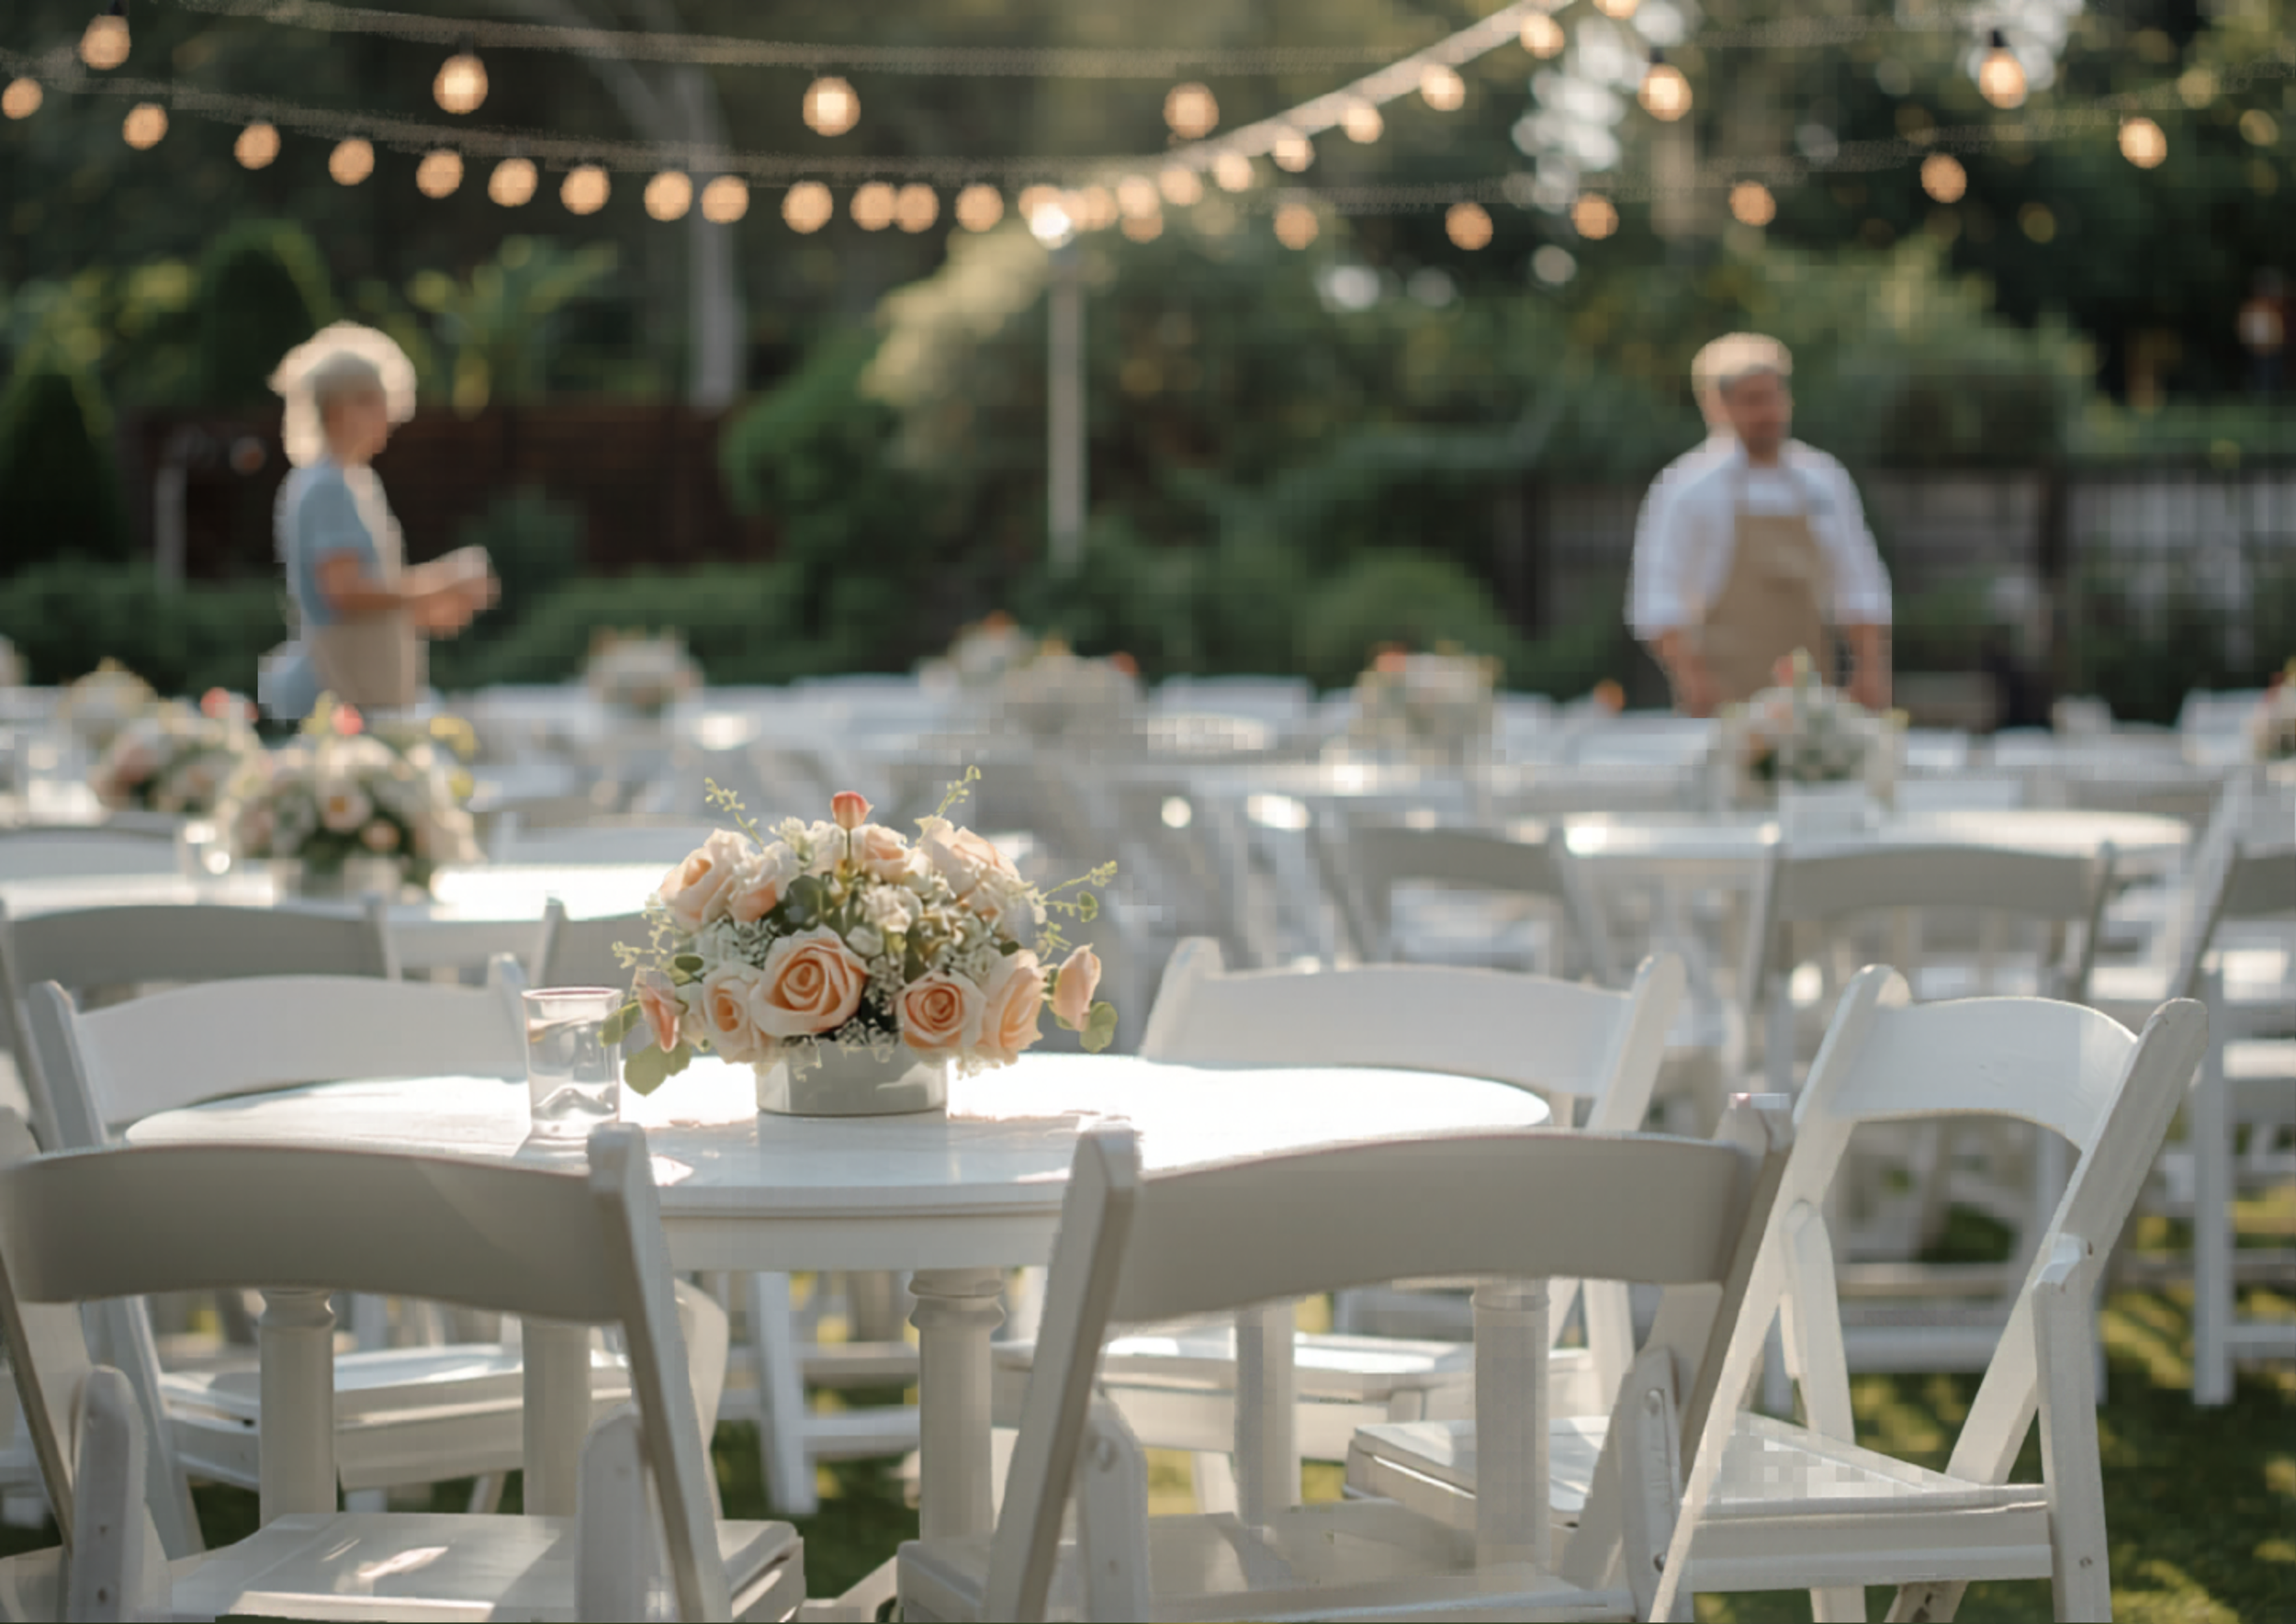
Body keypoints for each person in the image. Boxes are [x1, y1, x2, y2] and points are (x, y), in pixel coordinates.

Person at [1626, 333, 1892, 716]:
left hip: (1810, 690)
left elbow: (1858, 580)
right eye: (1752, 401)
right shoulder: (1687, 488)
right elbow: (1657, 597)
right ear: (1717, 406)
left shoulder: (1822, 480)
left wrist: (1870, 667)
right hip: (1724, 694)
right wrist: (1692, 678)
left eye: (1773, 397)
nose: (1767, 412)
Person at [258, 324, 495, 720]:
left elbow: (369, 598)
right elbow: (344, 592)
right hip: (335, 698)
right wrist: (444, 580)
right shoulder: (327, 484)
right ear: (335, 407)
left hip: (357, 690)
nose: (387, 414)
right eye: (370, 401)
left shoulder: (354, 481)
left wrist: (431, 607)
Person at [2239, 269, 2287, 397]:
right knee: (2259, 375)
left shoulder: (2271, 308)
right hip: (2257, 349)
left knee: (2273, 375)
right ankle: (2260, 395)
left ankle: (2273, 397)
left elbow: (2277, 328)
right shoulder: (2253, 308)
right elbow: (2245, 327)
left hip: (2273, 348)